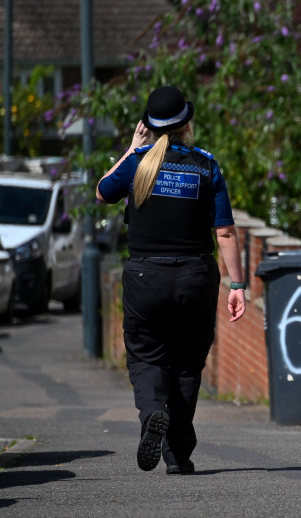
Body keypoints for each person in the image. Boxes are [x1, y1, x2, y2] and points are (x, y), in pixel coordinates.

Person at [96, 85, 247, 475]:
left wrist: (132, 147)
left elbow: (103, 192)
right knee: (186, 365)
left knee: (147, 356)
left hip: (146, 275)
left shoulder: (138, 163)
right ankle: (178, 455)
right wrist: (237, 284)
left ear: (148, 125)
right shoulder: (206, 166)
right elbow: (226, 232)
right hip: (195, 277)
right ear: (187, 123)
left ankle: (152, 415)